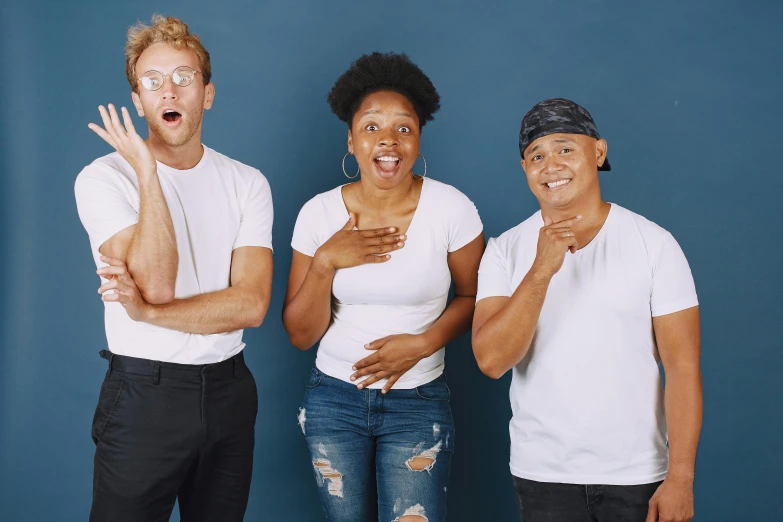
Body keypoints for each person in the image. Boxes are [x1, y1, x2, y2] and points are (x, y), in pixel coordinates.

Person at [74, 15, 273, 522]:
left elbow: (250, 305)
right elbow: (158, 284)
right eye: (152, 81)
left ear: (206, 93)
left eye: (184, 77)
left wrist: (148, 314)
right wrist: (146, 169)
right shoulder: (104, 179)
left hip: (230, 393)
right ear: (138, 100)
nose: (170, 91)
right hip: (145, 395)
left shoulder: (247, 183)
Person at [472, 98, 701, 522]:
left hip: (637, 473)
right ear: (525, 170)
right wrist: (541, 268)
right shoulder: (504, 251)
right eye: (536, 156)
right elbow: (491, 360)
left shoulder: (655, 244)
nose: (551, 165)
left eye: (564, 149)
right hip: (543, 474)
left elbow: (682, 365)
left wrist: (681, 478)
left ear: (598, 152)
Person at [282, 52, 484, 522]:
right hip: (333, 400)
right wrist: (327, 260)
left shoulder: (452, 210)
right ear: (351, 140)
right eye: (371, 126)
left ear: (417, 141)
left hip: (419, 400)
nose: (388, 140)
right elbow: (300, 334)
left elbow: (475, 297)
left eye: (404, 128)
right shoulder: (318, 215)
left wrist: (421, 344)